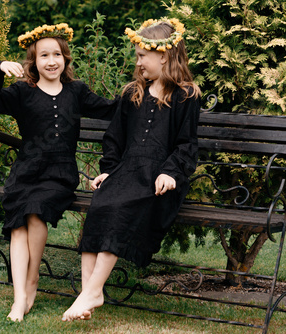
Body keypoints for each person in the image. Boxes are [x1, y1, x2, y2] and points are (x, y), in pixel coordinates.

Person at [0, 23, 118, 322]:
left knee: (35, 210)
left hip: (59, 175)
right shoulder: (21, 92)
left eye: (57, 54)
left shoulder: (76, 91)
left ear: (65, 59)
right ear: (33, 61)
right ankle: (19, 298)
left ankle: (32, 280)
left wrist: (141, 95)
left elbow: (109, 109)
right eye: (44, 56)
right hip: (25, 171)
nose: (51, 61)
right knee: (18, 222)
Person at [62, 17, 201, 321]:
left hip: (159, 180)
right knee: (100, 205)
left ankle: (90, 294)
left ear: (163, 55)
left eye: (141, 56)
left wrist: (170, 172)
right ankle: (88, 294)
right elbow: (114, 138)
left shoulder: (185, 96)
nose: (137, 62)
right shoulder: (132, 94)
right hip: (126, 173)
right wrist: (109, 170)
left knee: (121, 208)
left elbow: (186, 145)